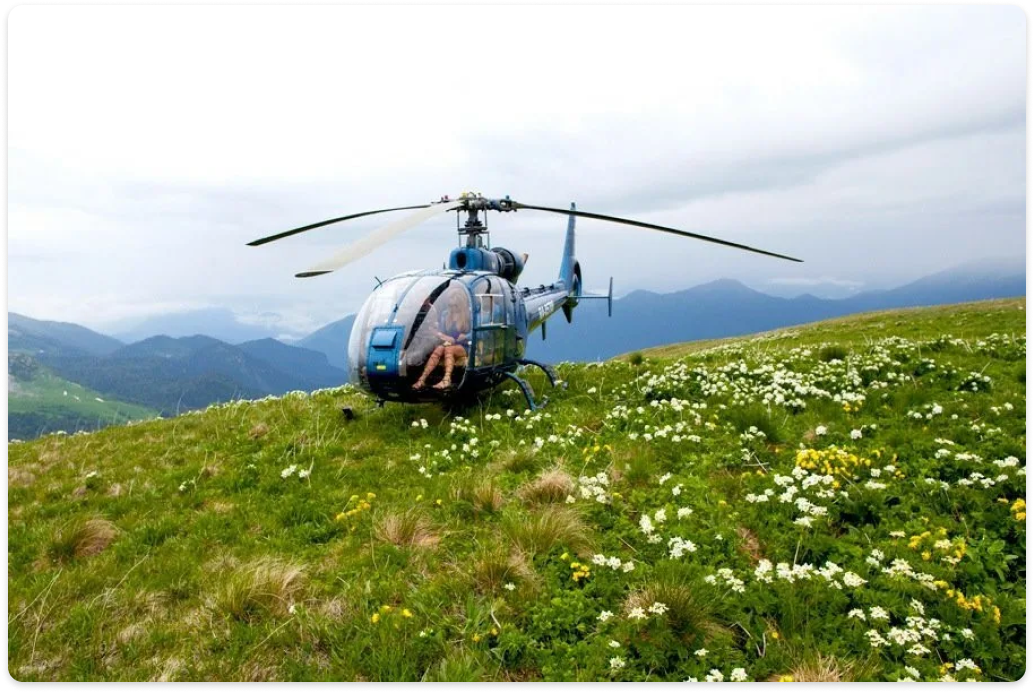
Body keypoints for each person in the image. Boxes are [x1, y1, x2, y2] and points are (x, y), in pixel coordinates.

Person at [413, 298, 471, 391]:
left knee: (449, 349)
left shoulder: (468, 315)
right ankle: (422, 379)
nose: (452, 308)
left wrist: (466, 336)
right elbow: (441, 331)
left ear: (460, 305)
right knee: (438, 349)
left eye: (455, 305)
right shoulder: (446, 314)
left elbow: (476, 332)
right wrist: (440, 334)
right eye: (450, 305)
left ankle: (446, 380)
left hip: (464, 344)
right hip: (449, 342)